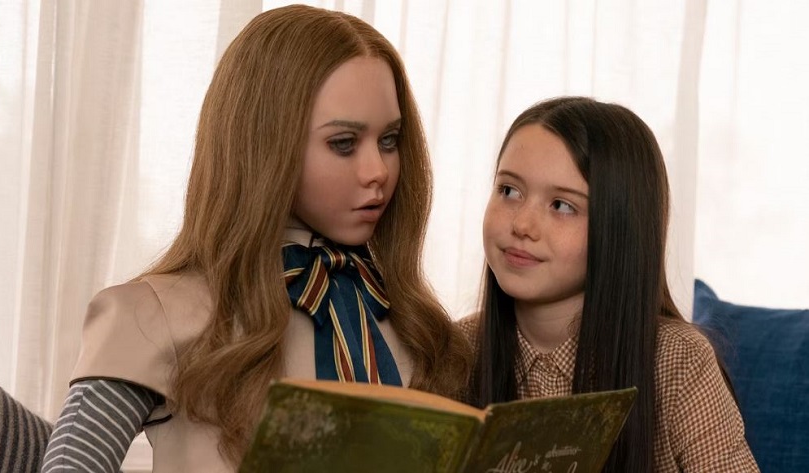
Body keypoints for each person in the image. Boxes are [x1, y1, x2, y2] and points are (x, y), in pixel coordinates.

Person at [39, 5, 470, 472]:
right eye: (343, 143)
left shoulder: (415, 327)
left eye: (389, 140)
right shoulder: (156, 315)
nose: (378, 171)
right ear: (263, 143)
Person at [460, 97, 758, 472]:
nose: (522, 224)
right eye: (509, 191)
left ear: (619, 229)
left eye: (561, 205)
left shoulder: (677, 361)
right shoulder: (453, 353)